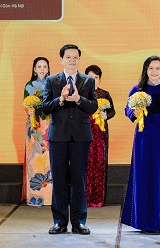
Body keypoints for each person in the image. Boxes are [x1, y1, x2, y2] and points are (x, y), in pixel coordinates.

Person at [42, 44, 98, 235]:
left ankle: (79, 222)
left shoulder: (88, 81)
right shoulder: (51, 80)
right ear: (61, 60)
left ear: (79, 60)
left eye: (75, 57)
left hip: (81, 137)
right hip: (58, 137)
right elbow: (45, 107)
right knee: (58, 180)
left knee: (78, 180)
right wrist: (61, 99)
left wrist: (78, 100)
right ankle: (59, 222)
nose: (72, 60)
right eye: (68, 57)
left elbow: (93, 106)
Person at [121, 56, 160, 233]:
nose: (154, 72)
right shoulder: (137, 89)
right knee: (143, 174)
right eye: (151, 68)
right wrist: (134, 112)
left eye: (158, 68)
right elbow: (127, 109)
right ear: (146, 70)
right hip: (143, 136)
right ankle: (142, 220)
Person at [84, 65, 116, 207]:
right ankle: (83, 198)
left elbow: (112, 111)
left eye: (96, 77)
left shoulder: (104, 94)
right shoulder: (80, 94)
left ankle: (98, 198)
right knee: (85, 163)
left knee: (99, 163)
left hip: (100, 133)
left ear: (100, 79)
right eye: (90, 77)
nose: (93, 80)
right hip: (84, 132)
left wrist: (106, 115)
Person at [22, 57, 52, 206]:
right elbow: (25, 104)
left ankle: (48, 197)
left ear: (48, 69)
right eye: (39, 67)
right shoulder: (29, 86)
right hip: (34, 125)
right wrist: (29, 111)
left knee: (48, 159)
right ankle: (34, 196)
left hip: (48, 124)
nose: (42, 69)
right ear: (34, 69)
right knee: (33, 158)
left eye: (44, 66)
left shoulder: (52, 84)